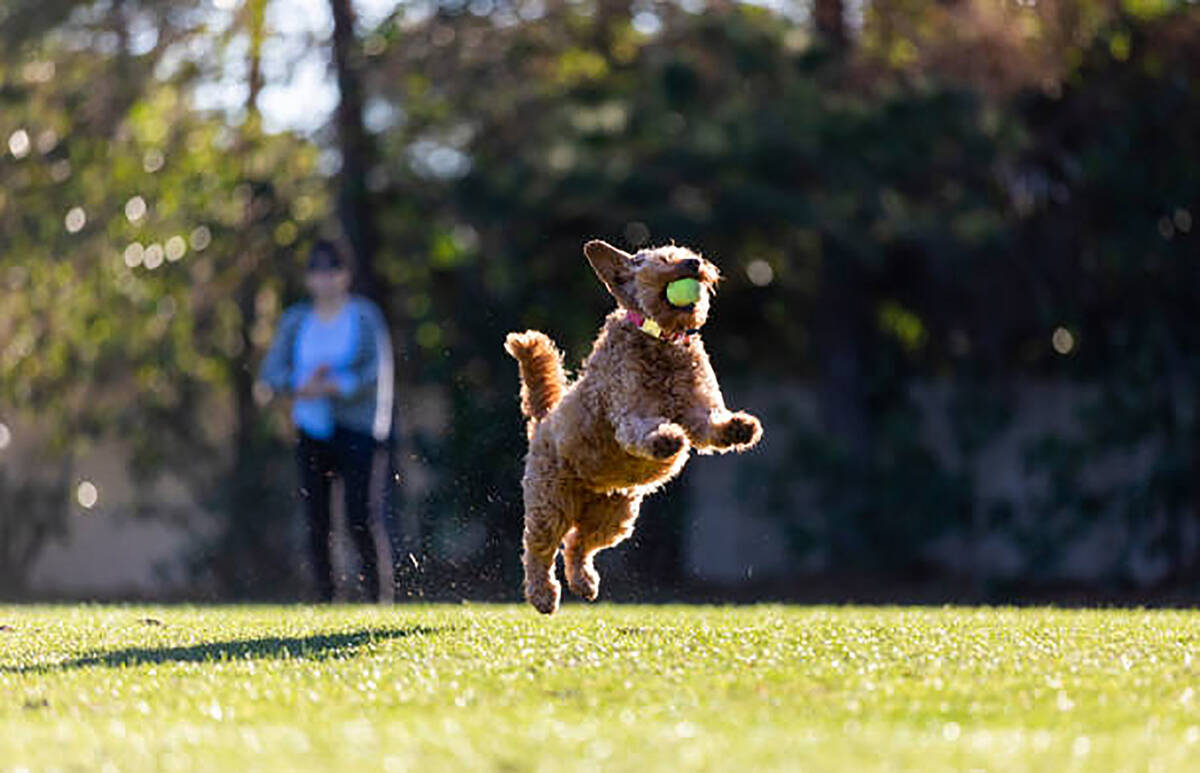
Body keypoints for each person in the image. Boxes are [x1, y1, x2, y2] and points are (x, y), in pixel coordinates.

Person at [259, 240, 394, 602]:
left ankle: (377, 598)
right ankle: (326, 598)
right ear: (308, 279)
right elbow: (271, 374)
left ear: (345, 275)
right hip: (311, 429)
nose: (325, 280)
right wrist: (300, 387)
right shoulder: (295, 321)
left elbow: (374, 372)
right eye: (317, 272)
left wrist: (336, 385)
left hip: (358, 431)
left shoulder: (364, 316)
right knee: (317, 521)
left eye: (332, 271)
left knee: (360, 517)